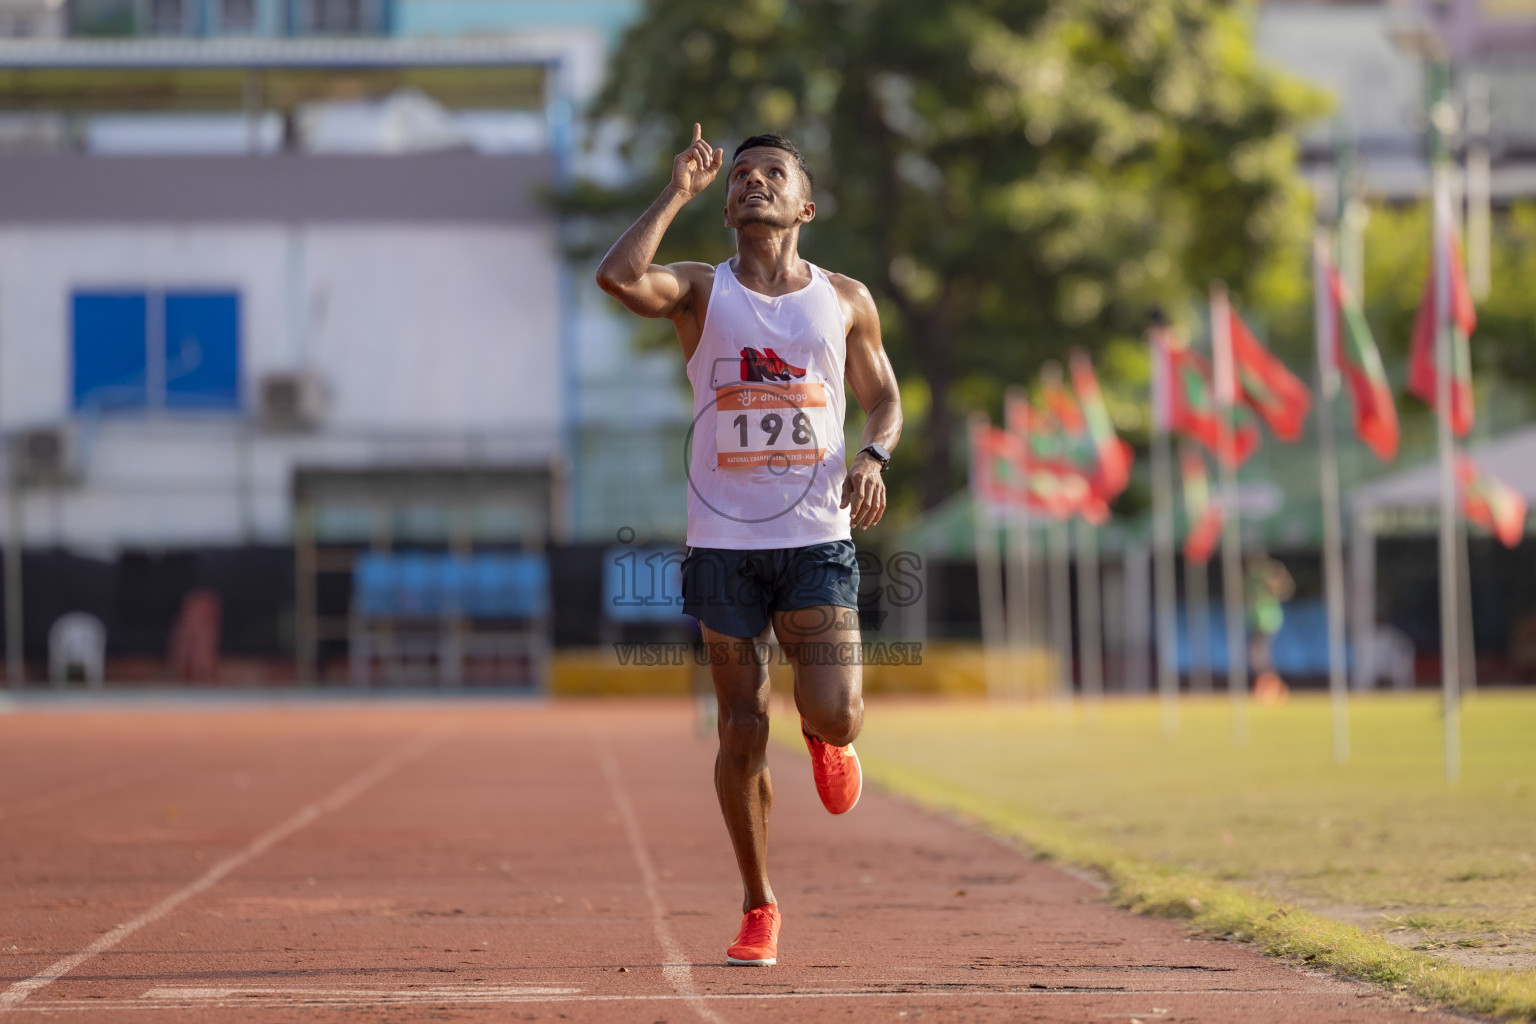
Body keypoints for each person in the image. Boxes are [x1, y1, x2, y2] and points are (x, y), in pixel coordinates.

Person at [596, 124, 902, 966]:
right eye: (740, 177)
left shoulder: (845, 298)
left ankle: (827, 735)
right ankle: (759, 903)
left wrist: (874, 456)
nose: (752, 184)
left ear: (805, 204)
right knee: (738, 726)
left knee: (835, 707)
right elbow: (618, 276)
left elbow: (885, 400)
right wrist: (675, 191)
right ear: (726, 203)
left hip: (815, 536)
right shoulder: (700, 290)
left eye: (773, 174)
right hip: (723, 539)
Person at [1246, 554, 1294, 704]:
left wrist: (1272, 581)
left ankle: (1272, 688)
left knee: (1259, 655)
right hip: (1258, 621)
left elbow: (1286, 589)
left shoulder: (1268, 573)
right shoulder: (1252, 578)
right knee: (1257, 655)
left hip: (1268, 621)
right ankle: (1269, 687)